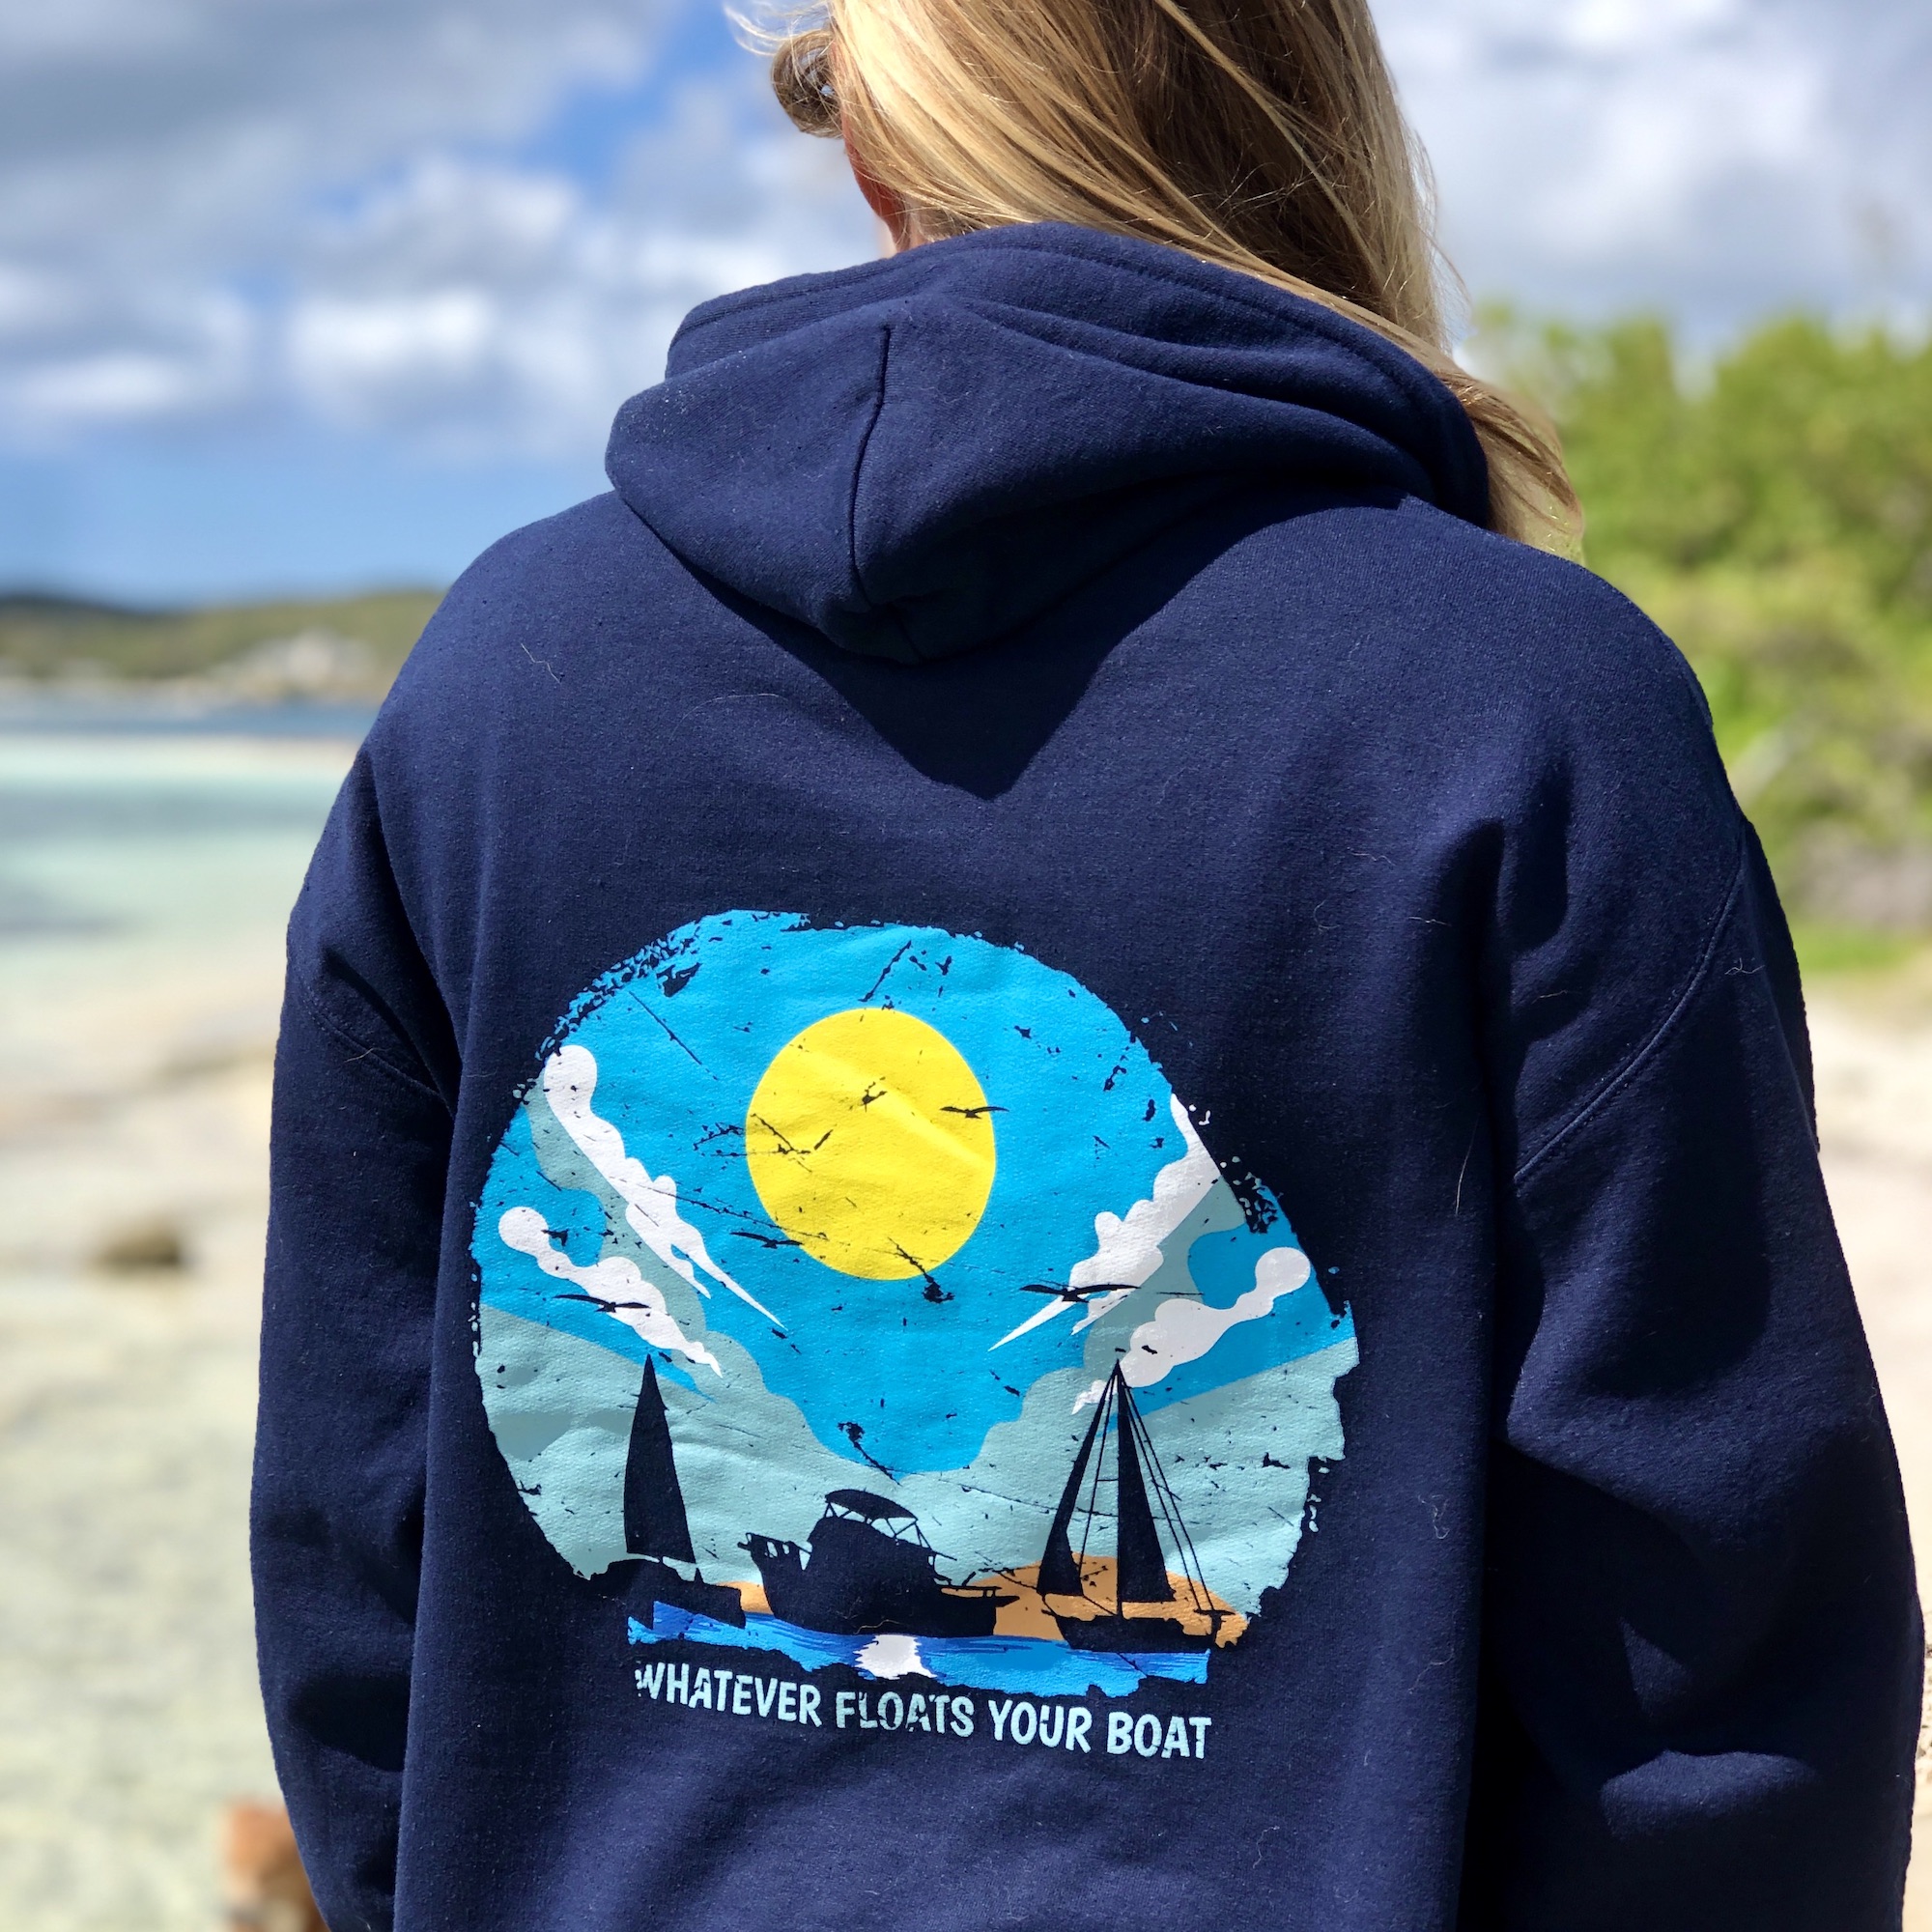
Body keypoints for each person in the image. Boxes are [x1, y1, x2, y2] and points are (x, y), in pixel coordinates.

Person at [250, 0, 1922, 1927]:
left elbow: (356, 1551)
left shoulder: (495, 687)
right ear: (1320, 125)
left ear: (870, 137)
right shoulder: (1524, 710)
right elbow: (1712, 1648)